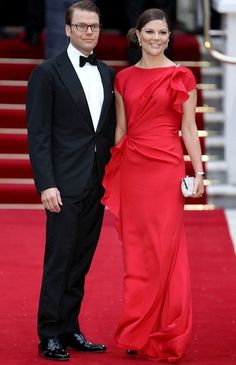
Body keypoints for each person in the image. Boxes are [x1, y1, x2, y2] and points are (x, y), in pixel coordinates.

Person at [102, 8, 204, 363]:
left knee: (165, 249)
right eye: (151, 32)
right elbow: (121, 130)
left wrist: (199, 171)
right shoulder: (124, 79)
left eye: (163, 33)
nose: (158, 38)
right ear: (138, 35)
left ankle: (167, 329)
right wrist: (114, 167)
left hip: (165, 169)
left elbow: (189, 128)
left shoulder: (181, 76)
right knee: (137, 253)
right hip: (133, 168)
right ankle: (137, 332)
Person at [26, 0, 115, 361]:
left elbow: (105, 132)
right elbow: (39, 135)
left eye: (93, 26)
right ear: (67, 29)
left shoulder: (108, 73)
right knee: (58, 261)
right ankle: (48, 333)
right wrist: (46, 183)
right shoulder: (46, 73)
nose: (88, 32)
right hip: (62, 184)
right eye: (81, 26)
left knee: (81, 260)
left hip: (97, 182)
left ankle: (69, 327)